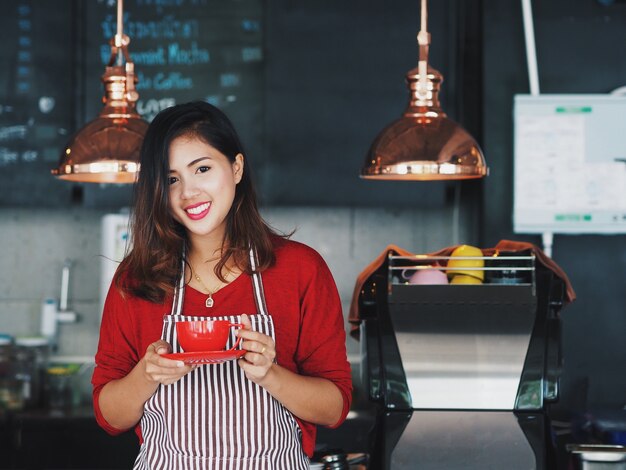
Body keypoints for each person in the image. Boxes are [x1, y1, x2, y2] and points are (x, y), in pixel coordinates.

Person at [92, 101, 352, 469]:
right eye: (171, 179)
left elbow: (334, 407)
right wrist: (145, 374)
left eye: (202, 168)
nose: (188, 192)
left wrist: (270, 374)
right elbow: (110, 416)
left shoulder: (300, 269)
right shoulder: (136, 278)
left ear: (236, 167)